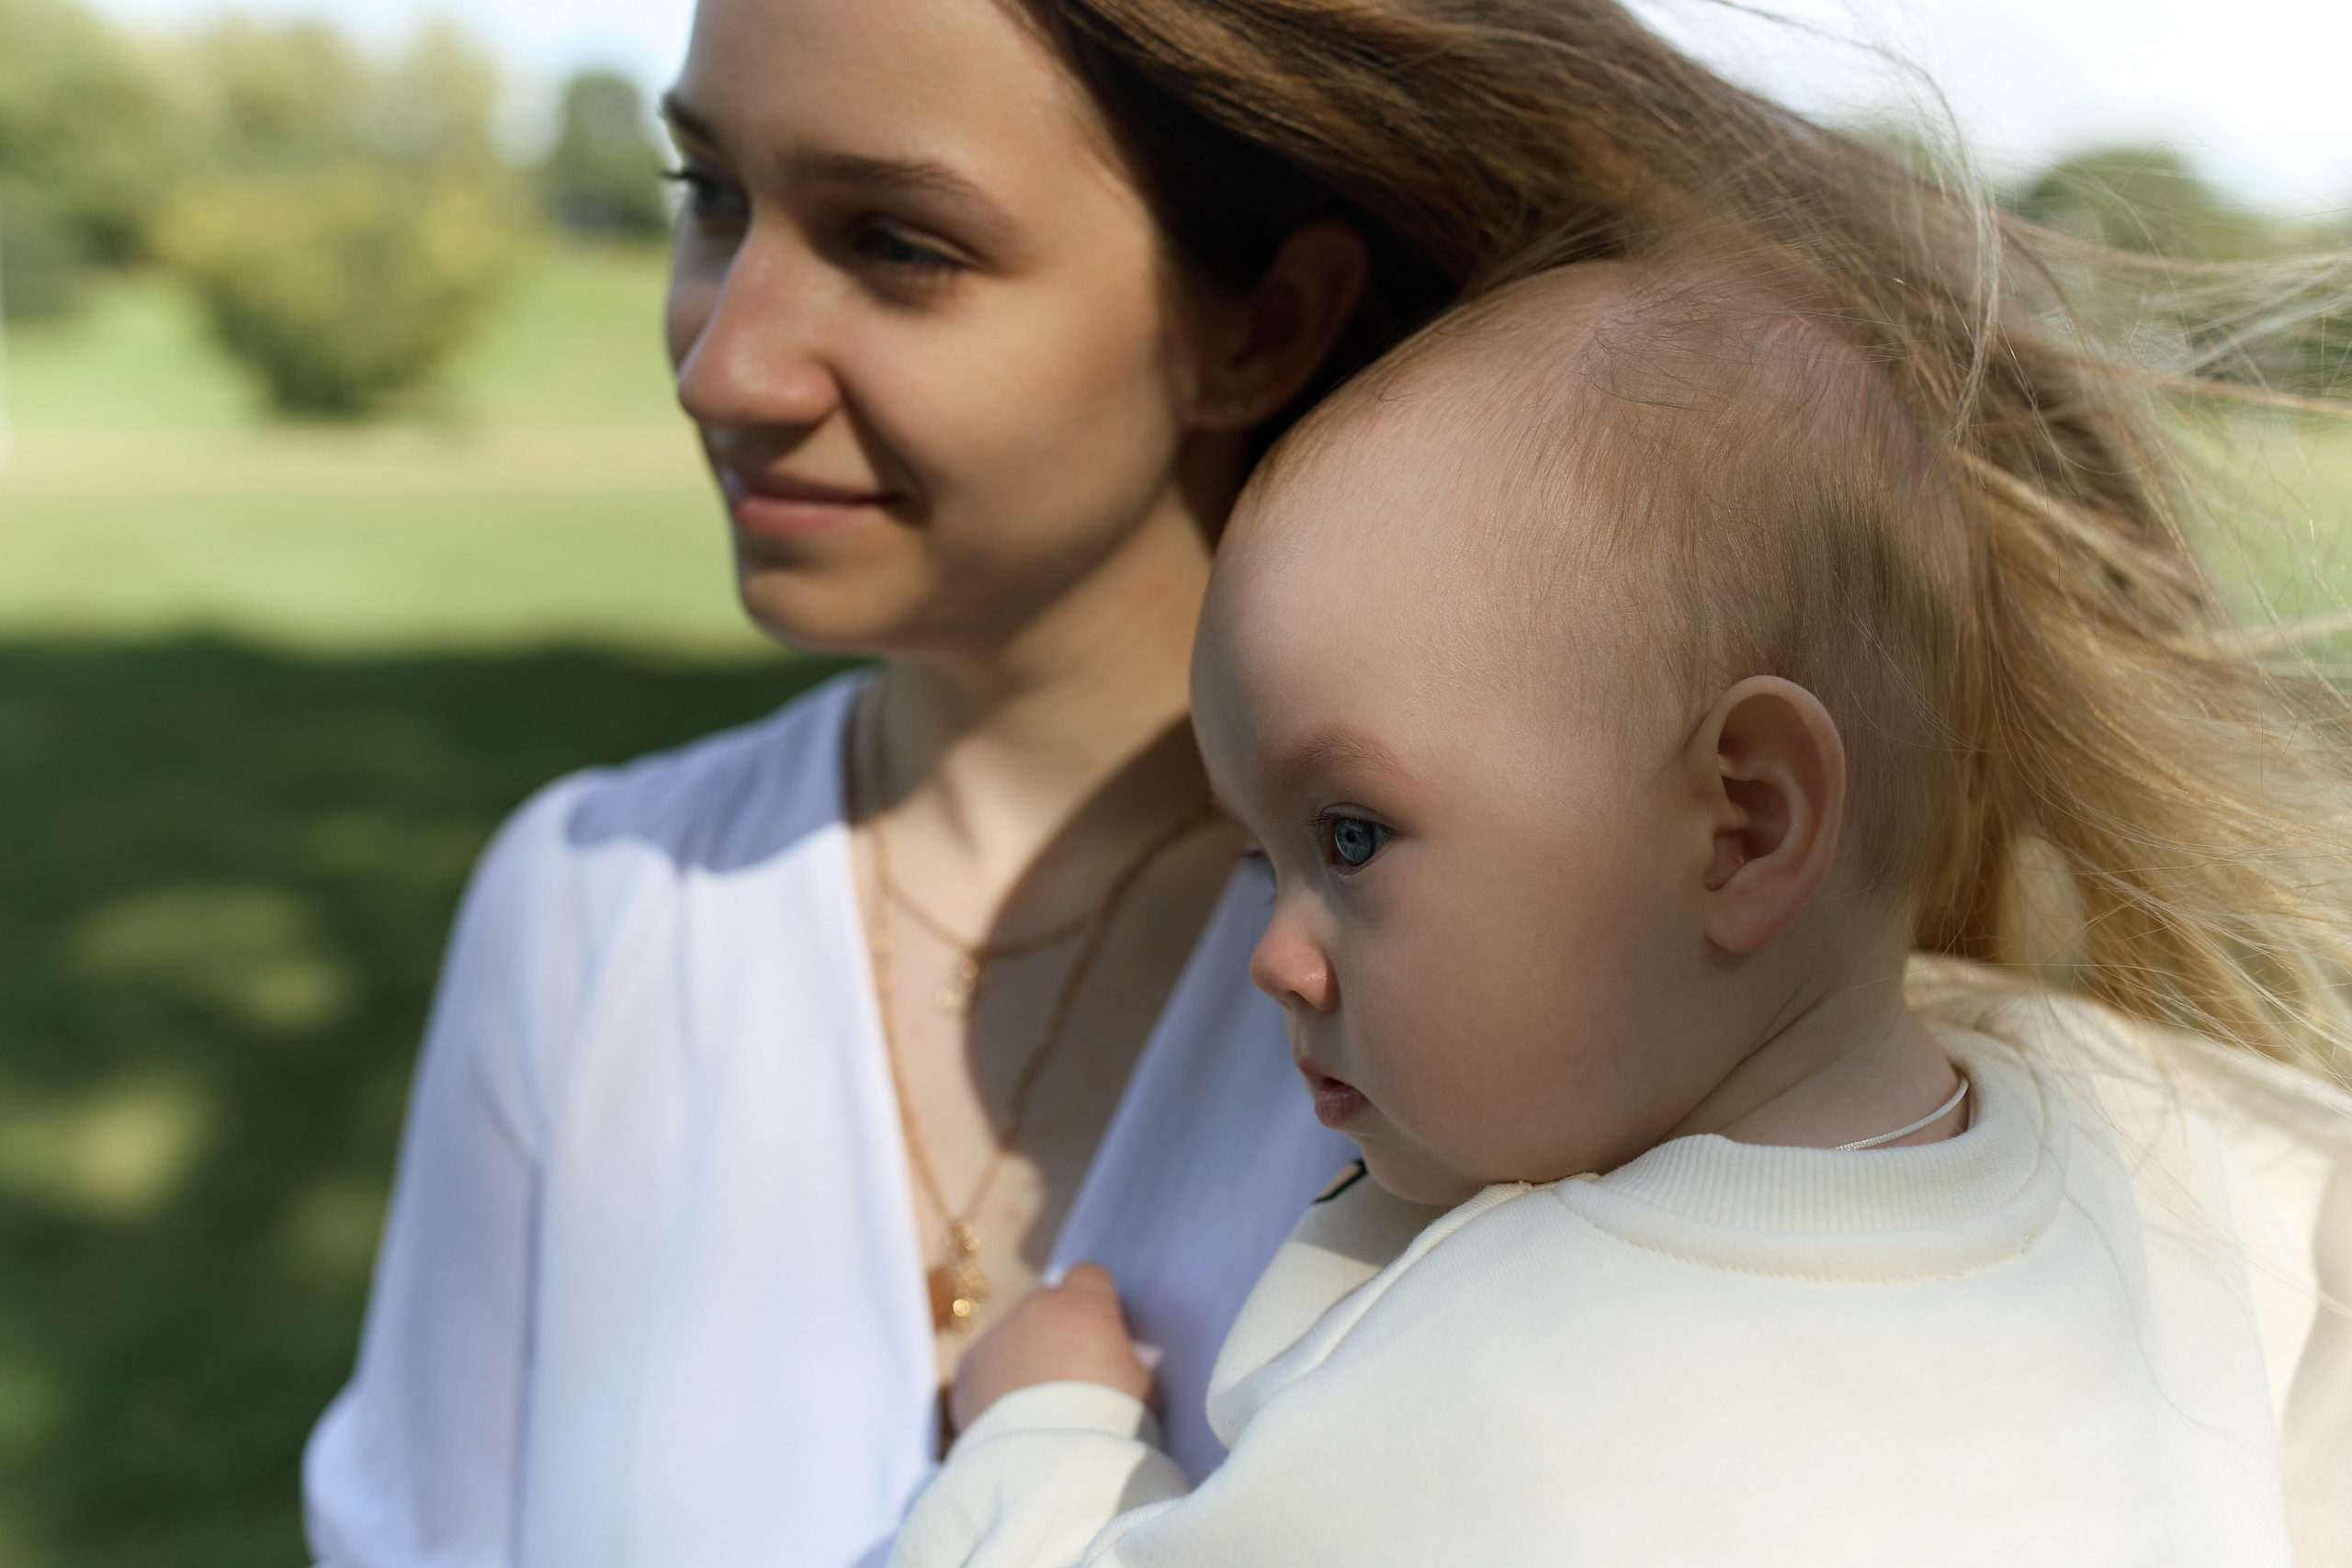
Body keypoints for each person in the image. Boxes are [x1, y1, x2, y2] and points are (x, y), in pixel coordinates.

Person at [890, 248, 2352, 1562]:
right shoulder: (2126, 1133)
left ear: (1745, 826)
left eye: (1350, 835)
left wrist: (1043, 1439)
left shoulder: (1501, 1398)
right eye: (1262, 861)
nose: (1272, 959)